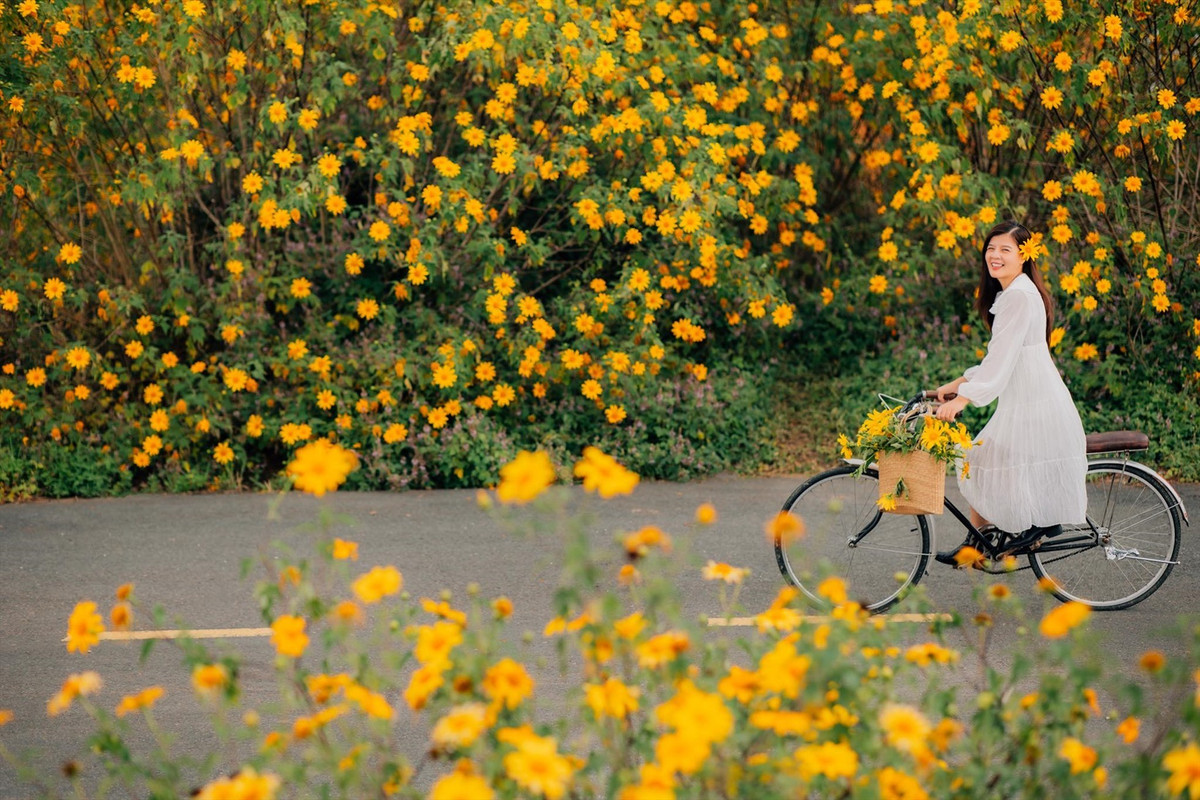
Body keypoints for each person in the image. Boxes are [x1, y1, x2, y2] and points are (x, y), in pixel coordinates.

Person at [931, 220, 1087, 565]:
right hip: (1030, 399)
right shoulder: (1017, 292)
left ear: (1023, 255)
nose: (995, 256)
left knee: (977, 461)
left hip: (1034, 404)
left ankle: (1010, 535)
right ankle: (986, 541)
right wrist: (956, 385)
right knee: (981, 461)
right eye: (991, 248)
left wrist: (963, 399)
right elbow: (1001, 358)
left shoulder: (1018, 295)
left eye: (1005, 249)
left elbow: (1000, 361)